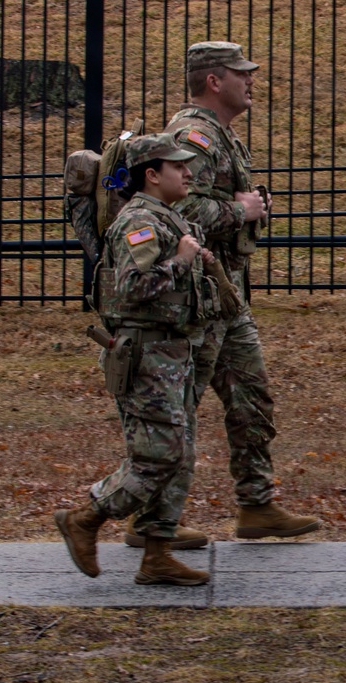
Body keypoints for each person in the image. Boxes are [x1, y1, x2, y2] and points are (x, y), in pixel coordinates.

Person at [162, 41, 319, 540]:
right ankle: (152, 521)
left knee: (251, 398)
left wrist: (247, 204)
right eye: (242, 74)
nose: (251, 81)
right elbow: (176, 213)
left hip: (226, 297)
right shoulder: (192, 136)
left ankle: (257, 505)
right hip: (197, 299)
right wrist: (240, 211)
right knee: (175, 409)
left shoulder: (222, 136)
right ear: (214, 81)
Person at [54, 134, 217, 587]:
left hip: (172, 351)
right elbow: (131, 287)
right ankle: (87, 516)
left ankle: (158, 553)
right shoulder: (139, 220)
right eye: (178, 166)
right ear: (152, 174)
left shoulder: (166, 217)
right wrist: (182, 261)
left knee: (178, 455)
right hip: (147, 355)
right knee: (158, 455)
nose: (188, 173)